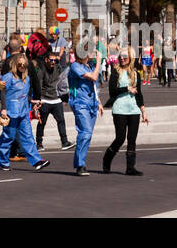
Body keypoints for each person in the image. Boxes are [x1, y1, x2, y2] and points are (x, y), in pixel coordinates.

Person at [0, 53, 50, 172]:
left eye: (24, 64)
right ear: (15, 64)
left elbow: (25, 95)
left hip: (24, 111)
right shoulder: (8, 77)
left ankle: (36, 161)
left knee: (28, 136)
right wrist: (3, 108)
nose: (22, 66)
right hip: (11, 111)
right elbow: (2, 93)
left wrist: (33, 101)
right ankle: (3, 161)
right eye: (20, 64)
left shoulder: (27, 78)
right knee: (8, 136)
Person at [102, 47, 147, 175]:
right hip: (119, 109)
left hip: (134, 110)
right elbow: (112, 91)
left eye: (125, 57)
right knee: (120, 138)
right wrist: (126, 88)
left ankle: (130, 167)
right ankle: (107, 159)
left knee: (132, 139)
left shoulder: (136, 74)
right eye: (120, 56)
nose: (121, 58)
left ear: (131, 58)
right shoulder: (116, 72)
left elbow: (139, 94)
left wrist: (143, 110)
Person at [67, 45, 102, 176]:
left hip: (92, 103)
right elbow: (93, 77)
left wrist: (99, 102)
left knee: (88, 135)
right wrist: (99, 61)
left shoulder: (90, 66)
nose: (93, 53)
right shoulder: (75, 66)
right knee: (85, 132)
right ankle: (80, 165)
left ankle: (82, 162)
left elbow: (94, 85)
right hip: (80, 103)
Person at [31, 41, 71, 151]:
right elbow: (38, 85)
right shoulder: (41, 70)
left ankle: (65, 142)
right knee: (42, 122)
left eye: (55, 60)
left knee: (61, 121)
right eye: (51, 60)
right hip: (45, 100)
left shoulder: (58, 68)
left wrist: (64, 97)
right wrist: (38, 100)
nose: (53, 62)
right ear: (46, 60)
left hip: (56, 99)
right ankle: (39, 143)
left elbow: (62, 82)